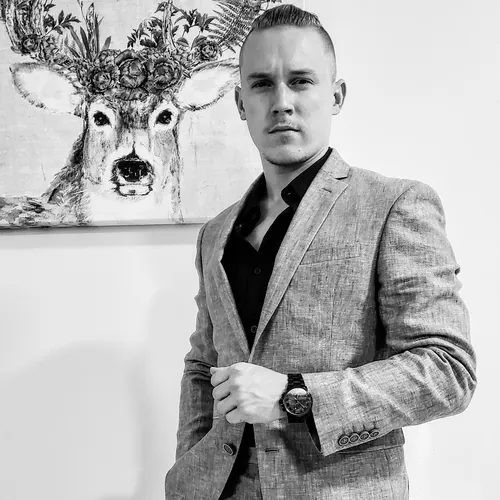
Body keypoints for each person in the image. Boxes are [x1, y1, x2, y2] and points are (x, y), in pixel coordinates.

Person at [165, 4, 477, 500]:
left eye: (301, 81)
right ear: (241, 102)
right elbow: (203, 366)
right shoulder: (215, 233)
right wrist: (189, 467)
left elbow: (446, 369)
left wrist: (295, 395)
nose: (281, 102)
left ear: (336, 95)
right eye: (262, 84)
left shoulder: (393, 205)